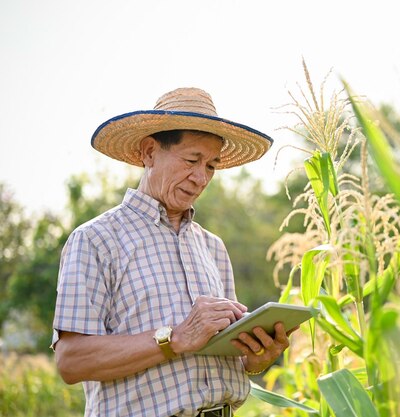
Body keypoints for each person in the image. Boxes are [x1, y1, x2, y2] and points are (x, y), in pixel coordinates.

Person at [52, 87, 295, 417]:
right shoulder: (95, 240)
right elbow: (71, 361)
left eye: (211, 166)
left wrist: (255, 358)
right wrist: (175, 338)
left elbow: (227, 357)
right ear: (149, 152)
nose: (200, 178)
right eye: (192, 160)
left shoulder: (213, 247)